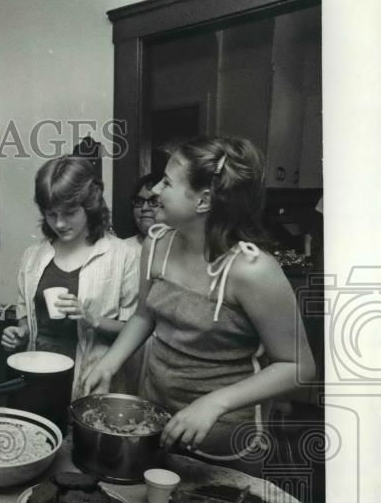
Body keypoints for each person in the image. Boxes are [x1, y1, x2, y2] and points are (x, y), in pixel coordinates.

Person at [82, 136, 316, 476]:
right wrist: (110, 362)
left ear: (204, 200)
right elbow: (145, 315)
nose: (155, 192)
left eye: (167, 182)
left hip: (224, 439)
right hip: (156, 422)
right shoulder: (157, 243)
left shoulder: (252, 270)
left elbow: (299, 367)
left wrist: (213, 404)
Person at [0, 156, 140, 410]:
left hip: (92, 380)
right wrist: (20, 334)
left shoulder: (122, 255)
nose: (60, 223)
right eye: (51, 214)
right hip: (39, 379)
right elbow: (26, 316)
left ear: (91, 204)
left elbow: (136, 330)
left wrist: (92, 319)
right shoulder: (33, 256)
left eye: (70, 212)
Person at [125, 172, 163, 249]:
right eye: (139, 201)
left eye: (154, 201)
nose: (144, 208)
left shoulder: (181, 250)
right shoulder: (122, 248)